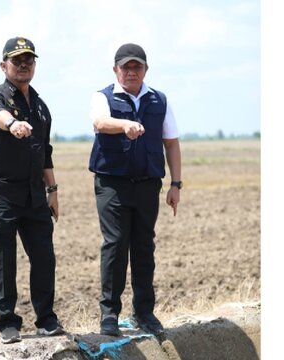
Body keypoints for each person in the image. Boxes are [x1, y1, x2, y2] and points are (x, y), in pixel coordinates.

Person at [88, 43, 183, 336]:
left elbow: (171, 143)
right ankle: (109, 315)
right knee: (116, 245)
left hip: (147, 185)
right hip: (112, 185)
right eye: (125, 67)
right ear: (115, 69)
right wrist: (124, 124)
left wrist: (176, 184)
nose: (131, 72)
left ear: (145, 69)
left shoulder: (159, 101)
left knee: (143, 247)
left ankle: (144, 312)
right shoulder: (103, 97)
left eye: (136, 66)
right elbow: (100, 122)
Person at [0, 36, 64, 344]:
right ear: (4, 66)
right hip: (0, 196)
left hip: (33, 196)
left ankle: (46, 320)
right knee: (3, 260)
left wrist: (52, 190)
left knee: (44, 258)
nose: (24, 65)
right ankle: (8, 323)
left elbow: (46, 151)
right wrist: (12, 123)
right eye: (17, 60)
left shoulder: (41, 107)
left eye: (29, 60)